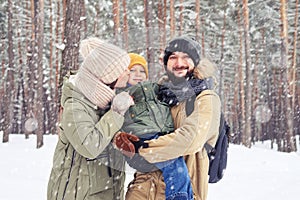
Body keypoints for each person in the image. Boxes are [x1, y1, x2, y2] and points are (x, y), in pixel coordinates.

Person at [116, 36, 221, 200]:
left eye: (186, 56)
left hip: (182, 190)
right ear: (165, 63)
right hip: (142, 189)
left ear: (196, 61)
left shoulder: (206, 97)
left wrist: (143, 147)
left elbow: (190, 138)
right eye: (173, 57)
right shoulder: (158, 96)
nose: (179, 63)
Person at [47, 37, 135, 200]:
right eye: (123, 69)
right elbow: (89, 147)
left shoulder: (103, 102)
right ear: (107, 77)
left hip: (106, 192)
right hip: (77, 194)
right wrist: (116, 113)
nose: (128, 72)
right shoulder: (76, 107)